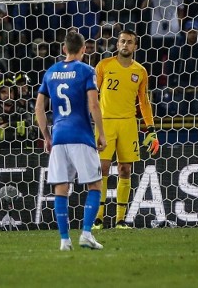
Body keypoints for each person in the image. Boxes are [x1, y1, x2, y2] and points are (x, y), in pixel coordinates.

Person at [34, 30, 107, 251]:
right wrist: (101, 133)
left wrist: (47, 136)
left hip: (59, 137)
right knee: (95, 183)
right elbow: (94, 105)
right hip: (81, 135)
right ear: (84, 50)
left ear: (64, 49)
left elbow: (39, 107)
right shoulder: (87, 71)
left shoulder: (51, 72)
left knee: (61, 188)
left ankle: (64, 240)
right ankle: (86, 233)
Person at [92, 29, 159, 230]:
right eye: (122, 41)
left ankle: (121, 219)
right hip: (105, 123)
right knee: (102, 168)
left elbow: (144, 102)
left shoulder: (140, 71)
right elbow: (92, 95)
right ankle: (98, 217)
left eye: (129, 42)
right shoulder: (103, 66)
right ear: (117, 44)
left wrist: (151, 129)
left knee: (125, 169)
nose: (125, 45)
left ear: (135, 46)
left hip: (129, 124)